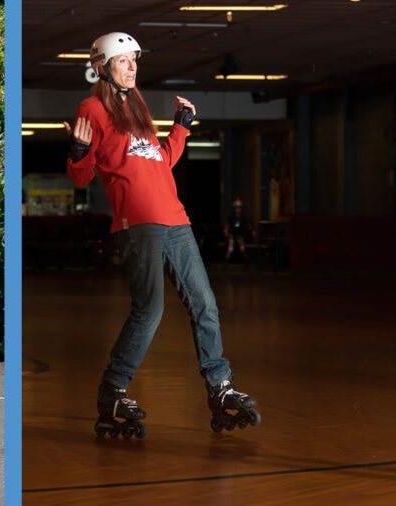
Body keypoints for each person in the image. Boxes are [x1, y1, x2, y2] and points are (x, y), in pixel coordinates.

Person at [64, 32, 259, 442]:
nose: (132, 66)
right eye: (123, 61)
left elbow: (159, 162)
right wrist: (79, 153)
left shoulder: (138, 109)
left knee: (205, 304)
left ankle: (219, 386)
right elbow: (81, 177)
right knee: (149, 309)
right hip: (139, 223)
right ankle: (113, 390)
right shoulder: (92, 109)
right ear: (102, 66)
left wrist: (181, 130)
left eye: (135, 59)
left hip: (176, 219)